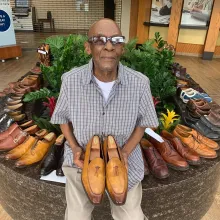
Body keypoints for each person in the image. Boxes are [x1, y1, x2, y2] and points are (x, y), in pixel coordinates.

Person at [51, 18, 158, 220]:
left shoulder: (140, 83)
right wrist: (74, 147)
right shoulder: (71, 80)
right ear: (88, 48)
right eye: (99, 40)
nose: (109, 46)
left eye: (116, 40)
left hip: (123, 161)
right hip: (82, 158)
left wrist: (125, 152)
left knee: (132, 217)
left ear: (122, 48)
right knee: (76, 217)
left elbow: (143, 123)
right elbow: (63, 118)